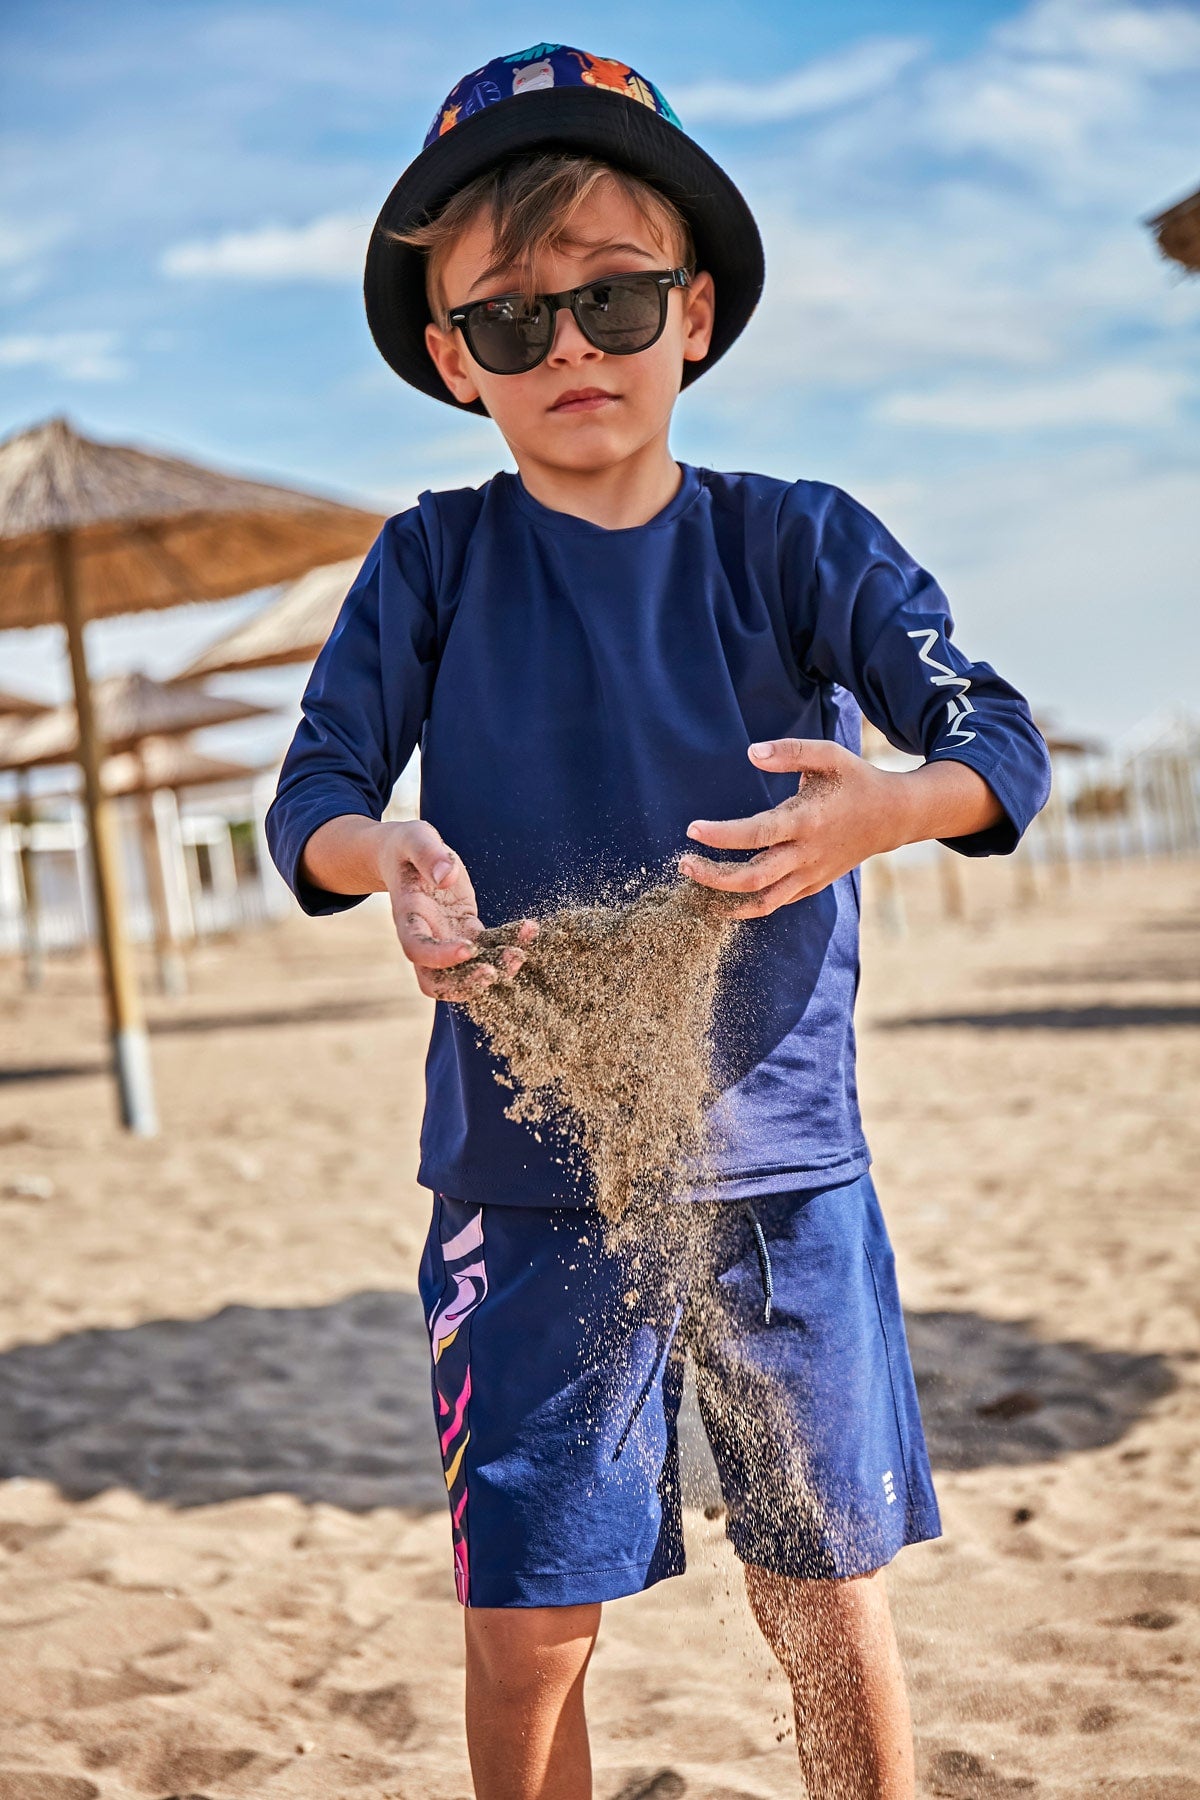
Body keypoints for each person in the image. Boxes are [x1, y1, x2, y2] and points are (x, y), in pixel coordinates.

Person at [265, 44, 1052, 1800]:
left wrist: (885, 810)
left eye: (614, 300)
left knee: (823, 1595)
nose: (572, 350)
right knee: (531, 1621)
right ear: (453, 357)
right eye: (512, 319)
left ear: (691, 313)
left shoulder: (797, 546)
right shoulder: (432, 565)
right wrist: (386, 858)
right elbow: (311, 795)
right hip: (527, 1171)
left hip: (782, 1168)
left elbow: (996, 742)